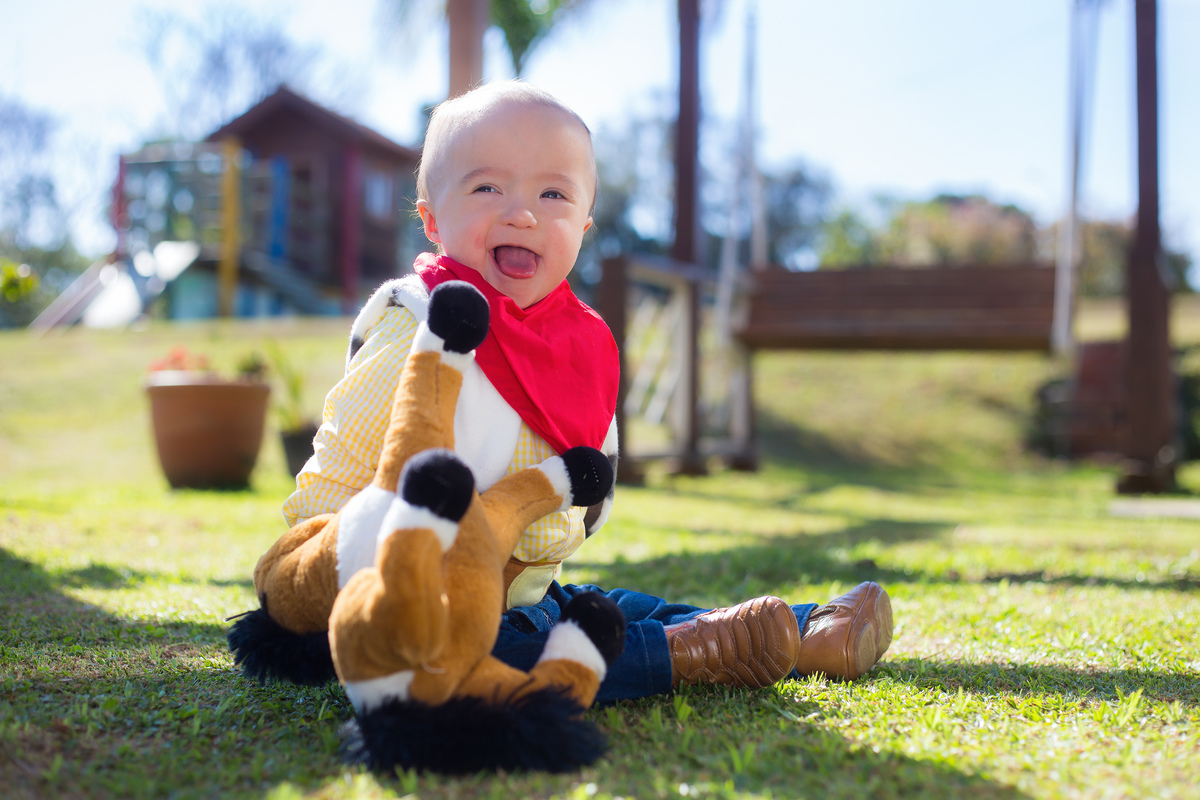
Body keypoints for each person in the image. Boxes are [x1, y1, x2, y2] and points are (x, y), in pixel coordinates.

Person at [283, 80, 893, 704]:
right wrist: (316, 568)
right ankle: (692, 653)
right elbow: (344, 455)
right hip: (417, 609)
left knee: (618, 606)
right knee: (518, 659)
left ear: (582, 224)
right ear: (432, 216)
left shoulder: (578, 341)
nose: (523, 212)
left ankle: (801, 627)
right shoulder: (421, 321)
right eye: (488, 187)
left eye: (553, 194)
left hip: (529, 591)